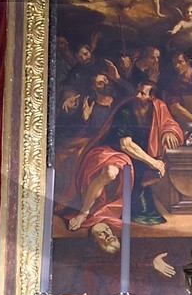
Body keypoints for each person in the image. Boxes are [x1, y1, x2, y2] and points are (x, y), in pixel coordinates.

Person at [70, 75, 185, 229]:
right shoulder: (126, 110)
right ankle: (83, 213)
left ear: (151, 97)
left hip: (135, 157)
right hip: (112, 150)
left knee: (144, 210)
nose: (137, 95)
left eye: (142, 94)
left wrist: (168, 131)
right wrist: (154, 162)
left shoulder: (158, 107)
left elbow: (169, 122)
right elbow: (125, 144)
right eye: (137, 91)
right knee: (109, 172)